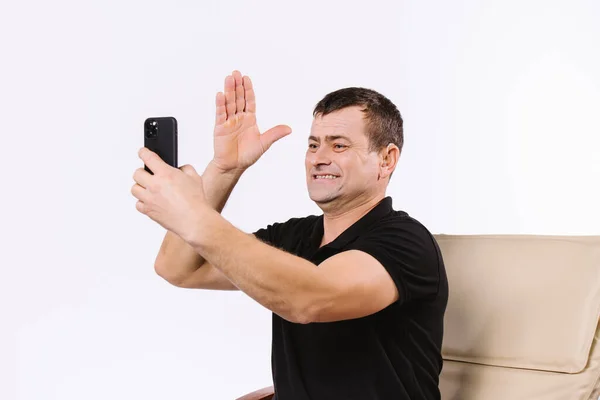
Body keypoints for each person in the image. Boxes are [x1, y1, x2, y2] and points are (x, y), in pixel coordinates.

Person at [131, 70, 449, 400]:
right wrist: (225, 169)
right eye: (313, 145)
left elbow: (310, 299)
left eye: (338, 145)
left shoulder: (406, 242)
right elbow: (179, 268)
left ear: (387, 159)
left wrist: (194, 214)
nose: (319, 158)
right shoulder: (295, 237)